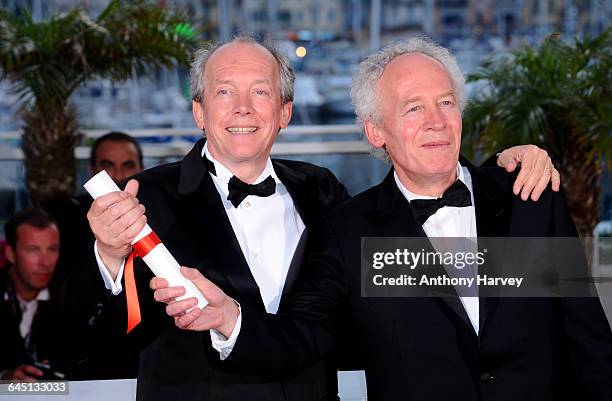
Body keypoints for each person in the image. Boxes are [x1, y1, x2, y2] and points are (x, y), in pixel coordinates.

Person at [65, 35, 559, 401]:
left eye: (260, 92)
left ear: (285, 112)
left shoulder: (323, 190)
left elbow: (403, 286)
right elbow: (86, 340)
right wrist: (108, 254)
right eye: (223, 93)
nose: (243, 108)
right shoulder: (143, 196)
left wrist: (502, 168)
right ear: (198, 111)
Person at [0, 208, 63, 381]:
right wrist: (4, 378)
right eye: (33, 250)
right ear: (10, 253)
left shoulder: (67, 298)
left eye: (52, 249)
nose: (45, 262)